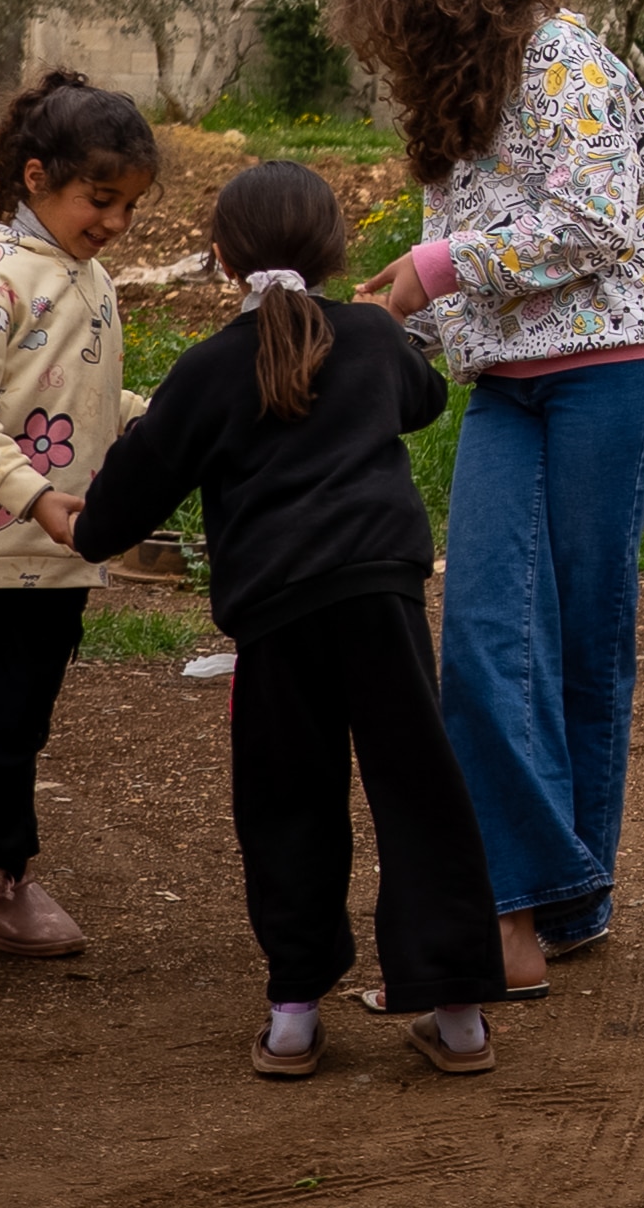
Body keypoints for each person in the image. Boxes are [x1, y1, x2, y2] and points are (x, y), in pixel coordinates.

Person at [332, 0, 644, 998]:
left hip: (619, 378)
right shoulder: (451, 97)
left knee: (585, 642)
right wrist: (375, 326)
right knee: (490, 642)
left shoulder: (562, 61)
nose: (381, 34)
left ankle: (568, 905)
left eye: (384, 7)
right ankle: (509, 909)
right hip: (509, 391)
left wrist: (434, 272)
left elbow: (593, 220)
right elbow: (465, 261)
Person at [71, 160, 509, 1080]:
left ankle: (294, 1019)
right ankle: (460, 1017)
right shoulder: (373, 343)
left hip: (275, 611)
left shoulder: (205, 373)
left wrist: (85, 498)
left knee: (287, 801)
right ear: (336, 250)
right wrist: (377, 329)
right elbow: (424, 399)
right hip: (381, 594)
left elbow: (113, 516)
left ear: (223, 259)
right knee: (420, 789)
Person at [0, 70, 159, 999]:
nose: (117, 222)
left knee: (18, 721)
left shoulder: (85, 278)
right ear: (37, 176)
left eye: (130, 204)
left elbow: (80, 402)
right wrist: (37, 494)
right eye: (101, 199)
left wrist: (167, 419)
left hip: (50, 559)